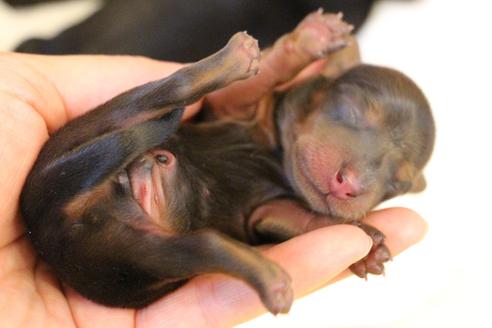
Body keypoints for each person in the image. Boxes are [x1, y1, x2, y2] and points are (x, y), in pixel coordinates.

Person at [0, 52, 427, 327]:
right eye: (352, 114)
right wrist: (295, 50)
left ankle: (239, 261)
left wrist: (360, 242)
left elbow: (294, 222)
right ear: (318, 89)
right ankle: (186, 84)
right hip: (80, 179)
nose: (357, 179)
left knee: (166, 251)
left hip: (114, 250)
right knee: (144, 114)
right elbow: (247, 95)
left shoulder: (280, 204)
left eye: (392, 180)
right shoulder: (260, 114)